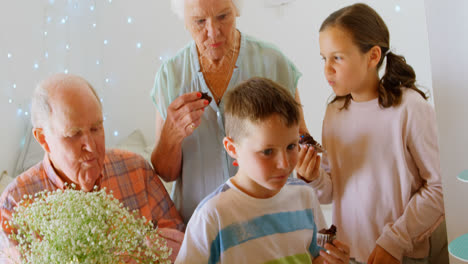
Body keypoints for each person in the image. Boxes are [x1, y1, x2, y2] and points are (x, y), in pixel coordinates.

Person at [296, 3, 445, 264]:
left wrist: (395, 241)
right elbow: (332, 192)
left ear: (373, 56)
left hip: (401, 256)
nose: (327, 69)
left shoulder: (410, 108)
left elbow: (438, 187)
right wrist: (314, 178)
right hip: (350, 255)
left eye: (338, 57)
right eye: (324, 58)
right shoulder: (334, 113)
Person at [150, 0, 309, 222]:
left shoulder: (273, 63)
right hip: (200, 229)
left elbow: (301, 141)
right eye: (199, 21)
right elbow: (165, 173)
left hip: (269, 223)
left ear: (237, 11)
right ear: (185, 21)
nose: (213, 32)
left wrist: (310, 172)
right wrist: (172, 135)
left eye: (223, 17)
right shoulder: (170, 76)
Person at [0, 74, 184, 262]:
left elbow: (182, 243)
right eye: (73, 134)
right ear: (43, 139)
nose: (90, 145)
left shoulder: (136, 170)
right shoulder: (15, 204)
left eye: (96, 128)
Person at [175, 77, 350, 264]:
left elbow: (315, 257)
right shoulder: (212, 216)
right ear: (233, 149)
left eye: (291, 146)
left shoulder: (305, 196)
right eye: (267, 151)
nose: (284, 163)